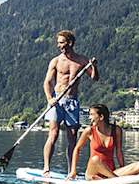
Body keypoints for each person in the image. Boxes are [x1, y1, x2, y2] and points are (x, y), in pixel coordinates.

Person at [42, 30, 98, 174]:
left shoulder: (82, 60)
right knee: (53, 134)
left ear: (70, 43)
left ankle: (70, 171)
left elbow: (94, 78)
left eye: (61, 42)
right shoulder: (55, 61)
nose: (58, 45)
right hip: (56, 101)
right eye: (58, 42)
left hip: (72, 102)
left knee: (72, 137)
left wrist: (94, 66)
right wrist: (50, 98)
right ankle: (46, 168)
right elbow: (47, 82)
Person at [68, 104, 139, 180]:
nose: (89, 117)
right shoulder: (89, 130)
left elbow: (119, 151)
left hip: (111, 172)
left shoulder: (116, 130)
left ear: (101, 117)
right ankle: (116, 179)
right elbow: (77, 149)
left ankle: (111, 178)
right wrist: (73, 171)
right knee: (95, 159)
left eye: (91, 114)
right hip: (93, 173)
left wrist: (122, 168)